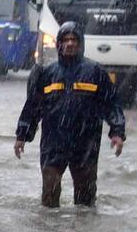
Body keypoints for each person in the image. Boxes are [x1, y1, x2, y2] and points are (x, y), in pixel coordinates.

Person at [12, 20, 125, 207]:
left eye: (74, 40)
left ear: (80, 44)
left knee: (85, 203)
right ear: (59, 44)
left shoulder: (95, 72)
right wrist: (22, 135)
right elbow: (33, 107)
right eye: (65, 40)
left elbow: (112, 105)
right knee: (49, 196)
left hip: (85, 144)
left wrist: (117, 133)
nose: (70, 43)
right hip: (53, 143)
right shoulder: (47, 74)